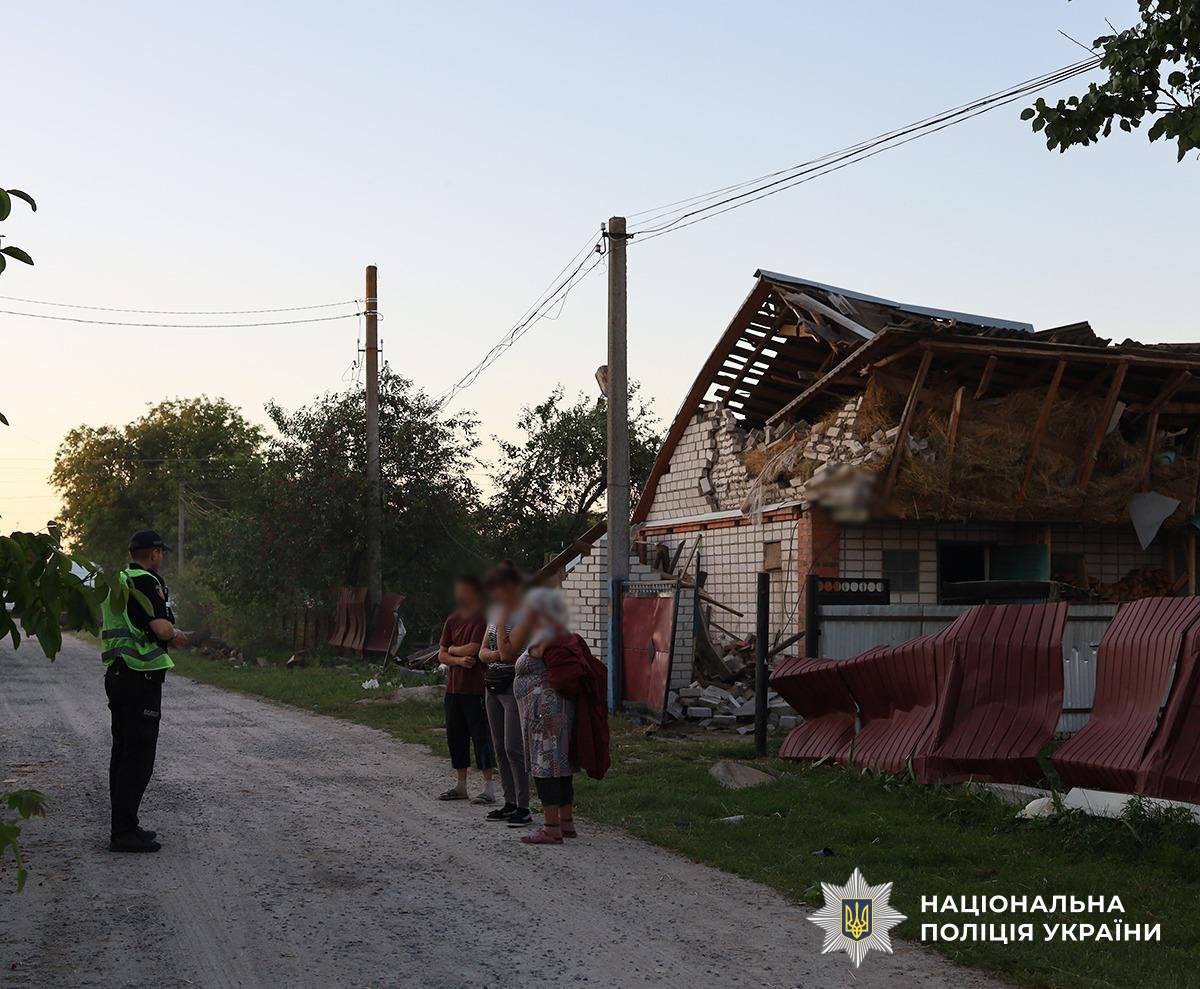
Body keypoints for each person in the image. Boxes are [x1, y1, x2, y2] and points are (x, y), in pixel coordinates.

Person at [100, 530, 189, 853]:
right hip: (140, 676)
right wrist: (176, 634)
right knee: (138, 757)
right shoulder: (147, 581)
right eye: (160, 553)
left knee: (122, 752)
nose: (161, 558)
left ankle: (125, 824)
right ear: (153, 553)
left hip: (118, 674)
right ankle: (123, 832)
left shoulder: (118, 582)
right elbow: (161, 628)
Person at [513, 588, 580, 845]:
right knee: (561, 766)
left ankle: (551, 828)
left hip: (545, 713)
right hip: (556, 710)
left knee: (546, 768)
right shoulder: (559, 632)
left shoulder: (547, 635)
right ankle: (566, 822)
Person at [478, 561, 533, 827]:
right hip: (493, 685)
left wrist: (501, 624)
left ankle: (524, 806)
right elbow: (482, 652)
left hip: (513, 686)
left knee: (514, 747)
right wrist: (495, 653)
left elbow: (510, 654)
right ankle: (509, 801)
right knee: (499, 746)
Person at [436, 575, 496, 803]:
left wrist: (453, 649)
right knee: (456, 737)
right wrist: (457, 659)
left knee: (481, 737)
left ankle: (489, 788)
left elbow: (474, 648)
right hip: (454, 690)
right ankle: (461, 786)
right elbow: (441, 654)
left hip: (476, 690)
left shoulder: (481, 619)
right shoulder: (452, 619)